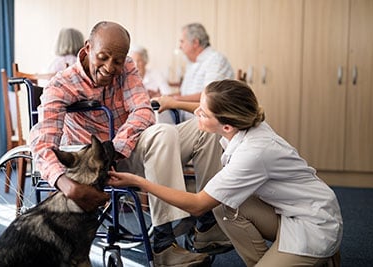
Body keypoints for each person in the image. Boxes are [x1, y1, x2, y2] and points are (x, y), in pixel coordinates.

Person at [29, 21, 230, 266]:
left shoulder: (127, 67)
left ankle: (207, 225)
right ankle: (164, 245)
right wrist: (65, 184)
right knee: (164, 133)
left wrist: (116, 148)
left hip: (126, 150)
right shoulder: (61, 85)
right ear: (87, 49)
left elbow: (143, 111)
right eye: (103, 57)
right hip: (98, 166)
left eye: (118, 60)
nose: (110, 67)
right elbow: (43, 143)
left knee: (207, 128)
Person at [109, 79, 344, 267]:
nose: (197, 112)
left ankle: (315, 255)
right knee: (224, 205)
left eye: (203, 113)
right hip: (290, 212)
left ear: (226, 127)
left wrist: (139, 181)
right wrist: (174, 103)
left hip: (314, 224)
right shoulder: (247, 120)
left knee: (214, 202)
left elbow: (198, 204)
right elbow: (213, 112)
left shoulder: (252, 153)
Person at [173, 23, 234, 121]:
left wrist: (174, 100)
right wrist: (165, 97)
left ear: (195, 43)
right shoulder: (192, 63)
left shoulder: (216, 59)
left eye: (182, 41)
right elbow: (185, 94)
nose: (180, 46)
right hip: (191, 120)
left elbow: (210, 96)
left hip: (206, 123)